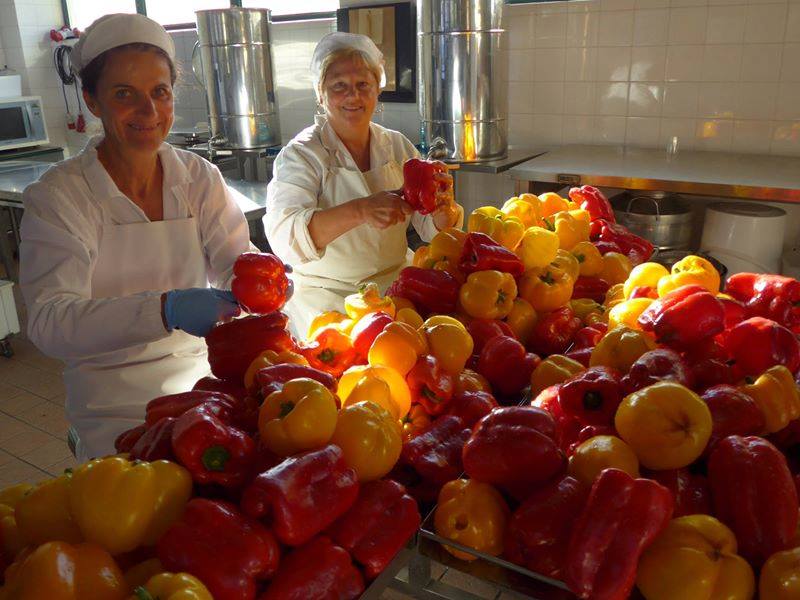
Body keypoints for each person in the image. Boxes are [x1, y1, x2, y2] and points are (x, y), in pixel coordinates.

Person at [19, 14, 252, 461]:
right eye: (125, 94)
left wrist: (262, 276)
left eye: (159, 93)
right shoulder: (60, 197)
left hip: (204, 383)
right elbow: (49, 322)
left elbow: (233, 261)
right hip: (109, 401)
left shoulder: (197, 176)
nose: (149, 112)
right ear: (92, 100)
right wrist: (164, 309)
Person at [264, 32, 462, 338]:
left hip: (398, 289)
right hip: (328, 300)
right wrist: (361, 210)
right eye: (339, 86)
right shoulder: (302, 154)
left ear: (377, 91)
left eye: (363, 85)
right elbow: (285, 239)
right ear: (321, 94)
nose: (353, 96)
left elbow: (427, 226)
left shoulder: (396, 145)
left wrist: (443, 213)